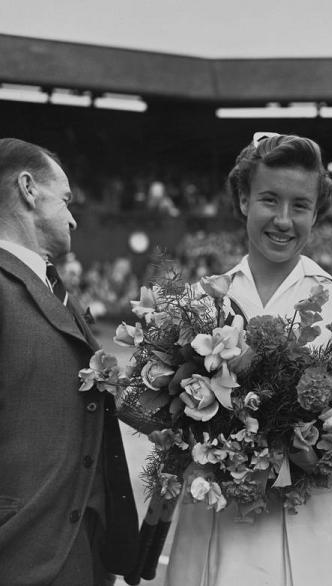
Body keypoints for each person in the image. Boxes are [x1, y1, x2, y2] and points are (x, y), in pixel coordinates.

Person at [166, 133, 332, 586]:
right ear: (243, 199)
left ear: (316, 213)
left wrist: (321, 445)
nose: (283, 220)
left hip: (309, 522)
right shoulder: (201, 300)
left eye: (300, 205)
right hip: (217, 517)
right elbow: (172, 415)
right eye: (269, 200)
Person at [0, 138, 139, 585]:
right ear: (28, 189)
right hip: (20, 552)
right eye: (65, 200)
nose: (74, 218)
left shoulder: (53, 286)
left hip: (81, 551)